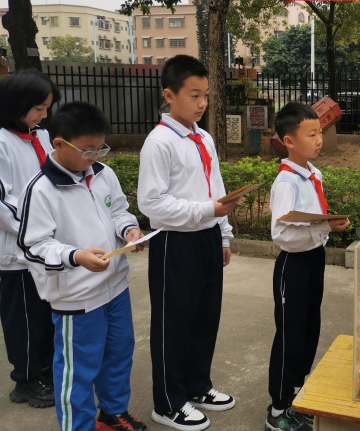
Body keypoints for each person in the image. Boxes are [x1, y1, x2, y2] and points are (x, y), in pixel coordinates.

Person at [16, 101, 148, 431]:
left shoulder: (103, 174)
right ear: (59, 144)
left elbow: (119, 210)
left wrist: (129, 230)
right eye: (88, 150)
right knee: (78, 370)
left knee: (119, 354)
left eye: (100, 148)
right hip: (77, 298)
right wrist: (76, 256)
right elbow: (34, 246)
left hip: (115, 287)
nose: (94, 157)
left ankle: (113, 413)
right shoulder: (41, 189)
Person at [138, 55, 238, 431]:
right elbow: (152, 204)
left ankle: (198, 386)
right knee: (174, 323)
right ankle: (167, 402)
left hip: (207, 237)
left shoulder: (203, 137)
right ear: (169, 95)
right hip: (175, 243)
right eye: (194, 95)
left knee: (205, 317)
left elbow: (217, 189)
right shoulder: (159, 142)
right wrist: (207, 210)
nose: (202, 103)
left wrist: (223, 233)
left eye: (205, 95)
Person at [266, 102, 350, 431]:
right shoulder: (287, 183)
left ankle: (297, 393)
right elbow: (282, 234)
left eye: (320, 132)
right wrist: (325, 226)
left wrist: (326, 225)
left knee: (309, 327)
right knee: (290, 334)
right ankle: (278, 408)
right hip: (294, 264)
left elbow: (311, 221)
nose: (319, 140)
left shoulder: (314, 174)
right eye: (311, 134)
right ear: (289, 141)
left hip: (314, 258)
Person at [0, 70, 60, 409]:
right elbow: (3, 201)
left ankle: (45, 370)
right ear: (17, 104)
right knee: (23, 318)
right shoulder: (2, 141)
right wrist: (33, 227)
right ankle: (25, 379)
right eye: (38, 108)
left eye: (47, 107)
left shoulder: (40, 136)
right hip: (16, 250)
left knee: (45, 314)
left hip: (45, 245)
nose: (44, 115)